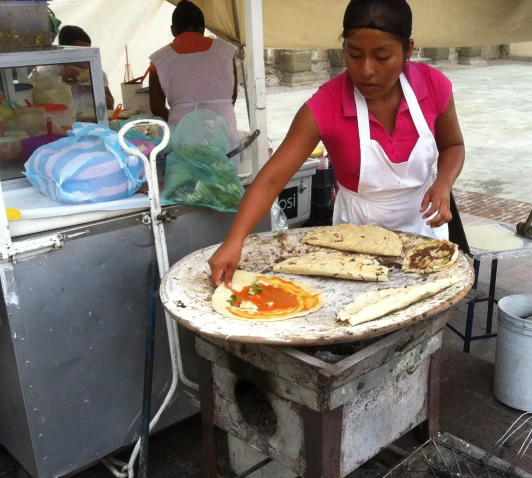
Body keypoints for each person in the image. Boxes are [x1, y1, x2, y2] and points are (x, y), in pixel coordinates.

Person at [209, 0, 465, 287]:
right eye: (354, 55)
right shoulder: (326, 104)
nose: (366, 70)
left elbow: (453, 145)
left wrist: (443, 183)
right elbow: (271, 180)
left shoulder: (433, 86)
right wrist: (234, 240)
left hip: (424, 232)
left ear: (408, 50)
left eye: (382, 57)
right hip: (356, 240)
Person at [149, 0, 239, 135]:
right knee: (226, 155)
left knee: (186, 156)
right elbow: (233, 95)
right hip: (223, 124)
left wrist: (179, 122)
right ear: (202, 28)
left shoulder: (159, 59)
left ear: (173, 30)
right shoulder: (226, 51)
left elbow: (156, 108)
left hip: (182, 128)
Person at [55, 25, 115, 112]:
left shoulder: (96, 71)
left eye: (86, 52)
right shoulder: (51, 71)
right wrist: (61, 80)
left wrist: (95, 87)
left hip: (94, 123)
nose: (83, 58)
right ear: (64, 52)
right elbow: (44, 104)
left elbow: (110, 106)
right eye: (78, 53)